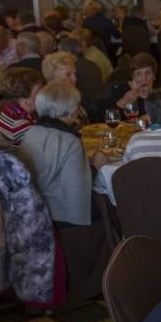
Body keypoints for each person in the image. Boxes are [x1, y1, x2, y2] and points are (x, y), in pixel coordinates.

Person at [18, 82, 104, 227]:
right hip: (61, 218)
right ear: (71, 111)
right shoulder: (69, 141)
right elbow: (77, 191)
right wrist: (96, 166)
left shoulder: (31, 132)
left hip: (32, 210)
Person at [90, 52, 156, 121]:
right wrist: (123, 102)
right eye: (138, 74)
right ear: (132, 77)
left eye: (147, 73)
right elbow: (98, 118)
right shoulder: (117, 90)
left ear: (154, 76)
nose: (144, 78)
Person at [0, 67, 43, 146]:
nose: (43, 94)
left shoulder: (9, 111)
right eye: (38, 91)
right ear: (24, 99)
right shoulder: (21, 124)